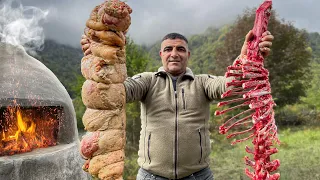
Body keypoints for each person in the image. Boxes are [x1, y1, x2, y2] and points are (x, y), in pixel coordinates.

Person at [81, 30, 274, 180]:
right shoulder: (148, 81)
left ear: (188, 54)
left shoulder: (202, 82)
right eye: (168, 49)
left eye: (180, 49)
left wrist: (246, 58)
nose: (174, 54)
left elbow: (230, 84)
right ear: (161, 54)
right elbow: (117, 92)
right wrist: (98, 58)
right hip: (151, 176)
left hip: (198, 176)